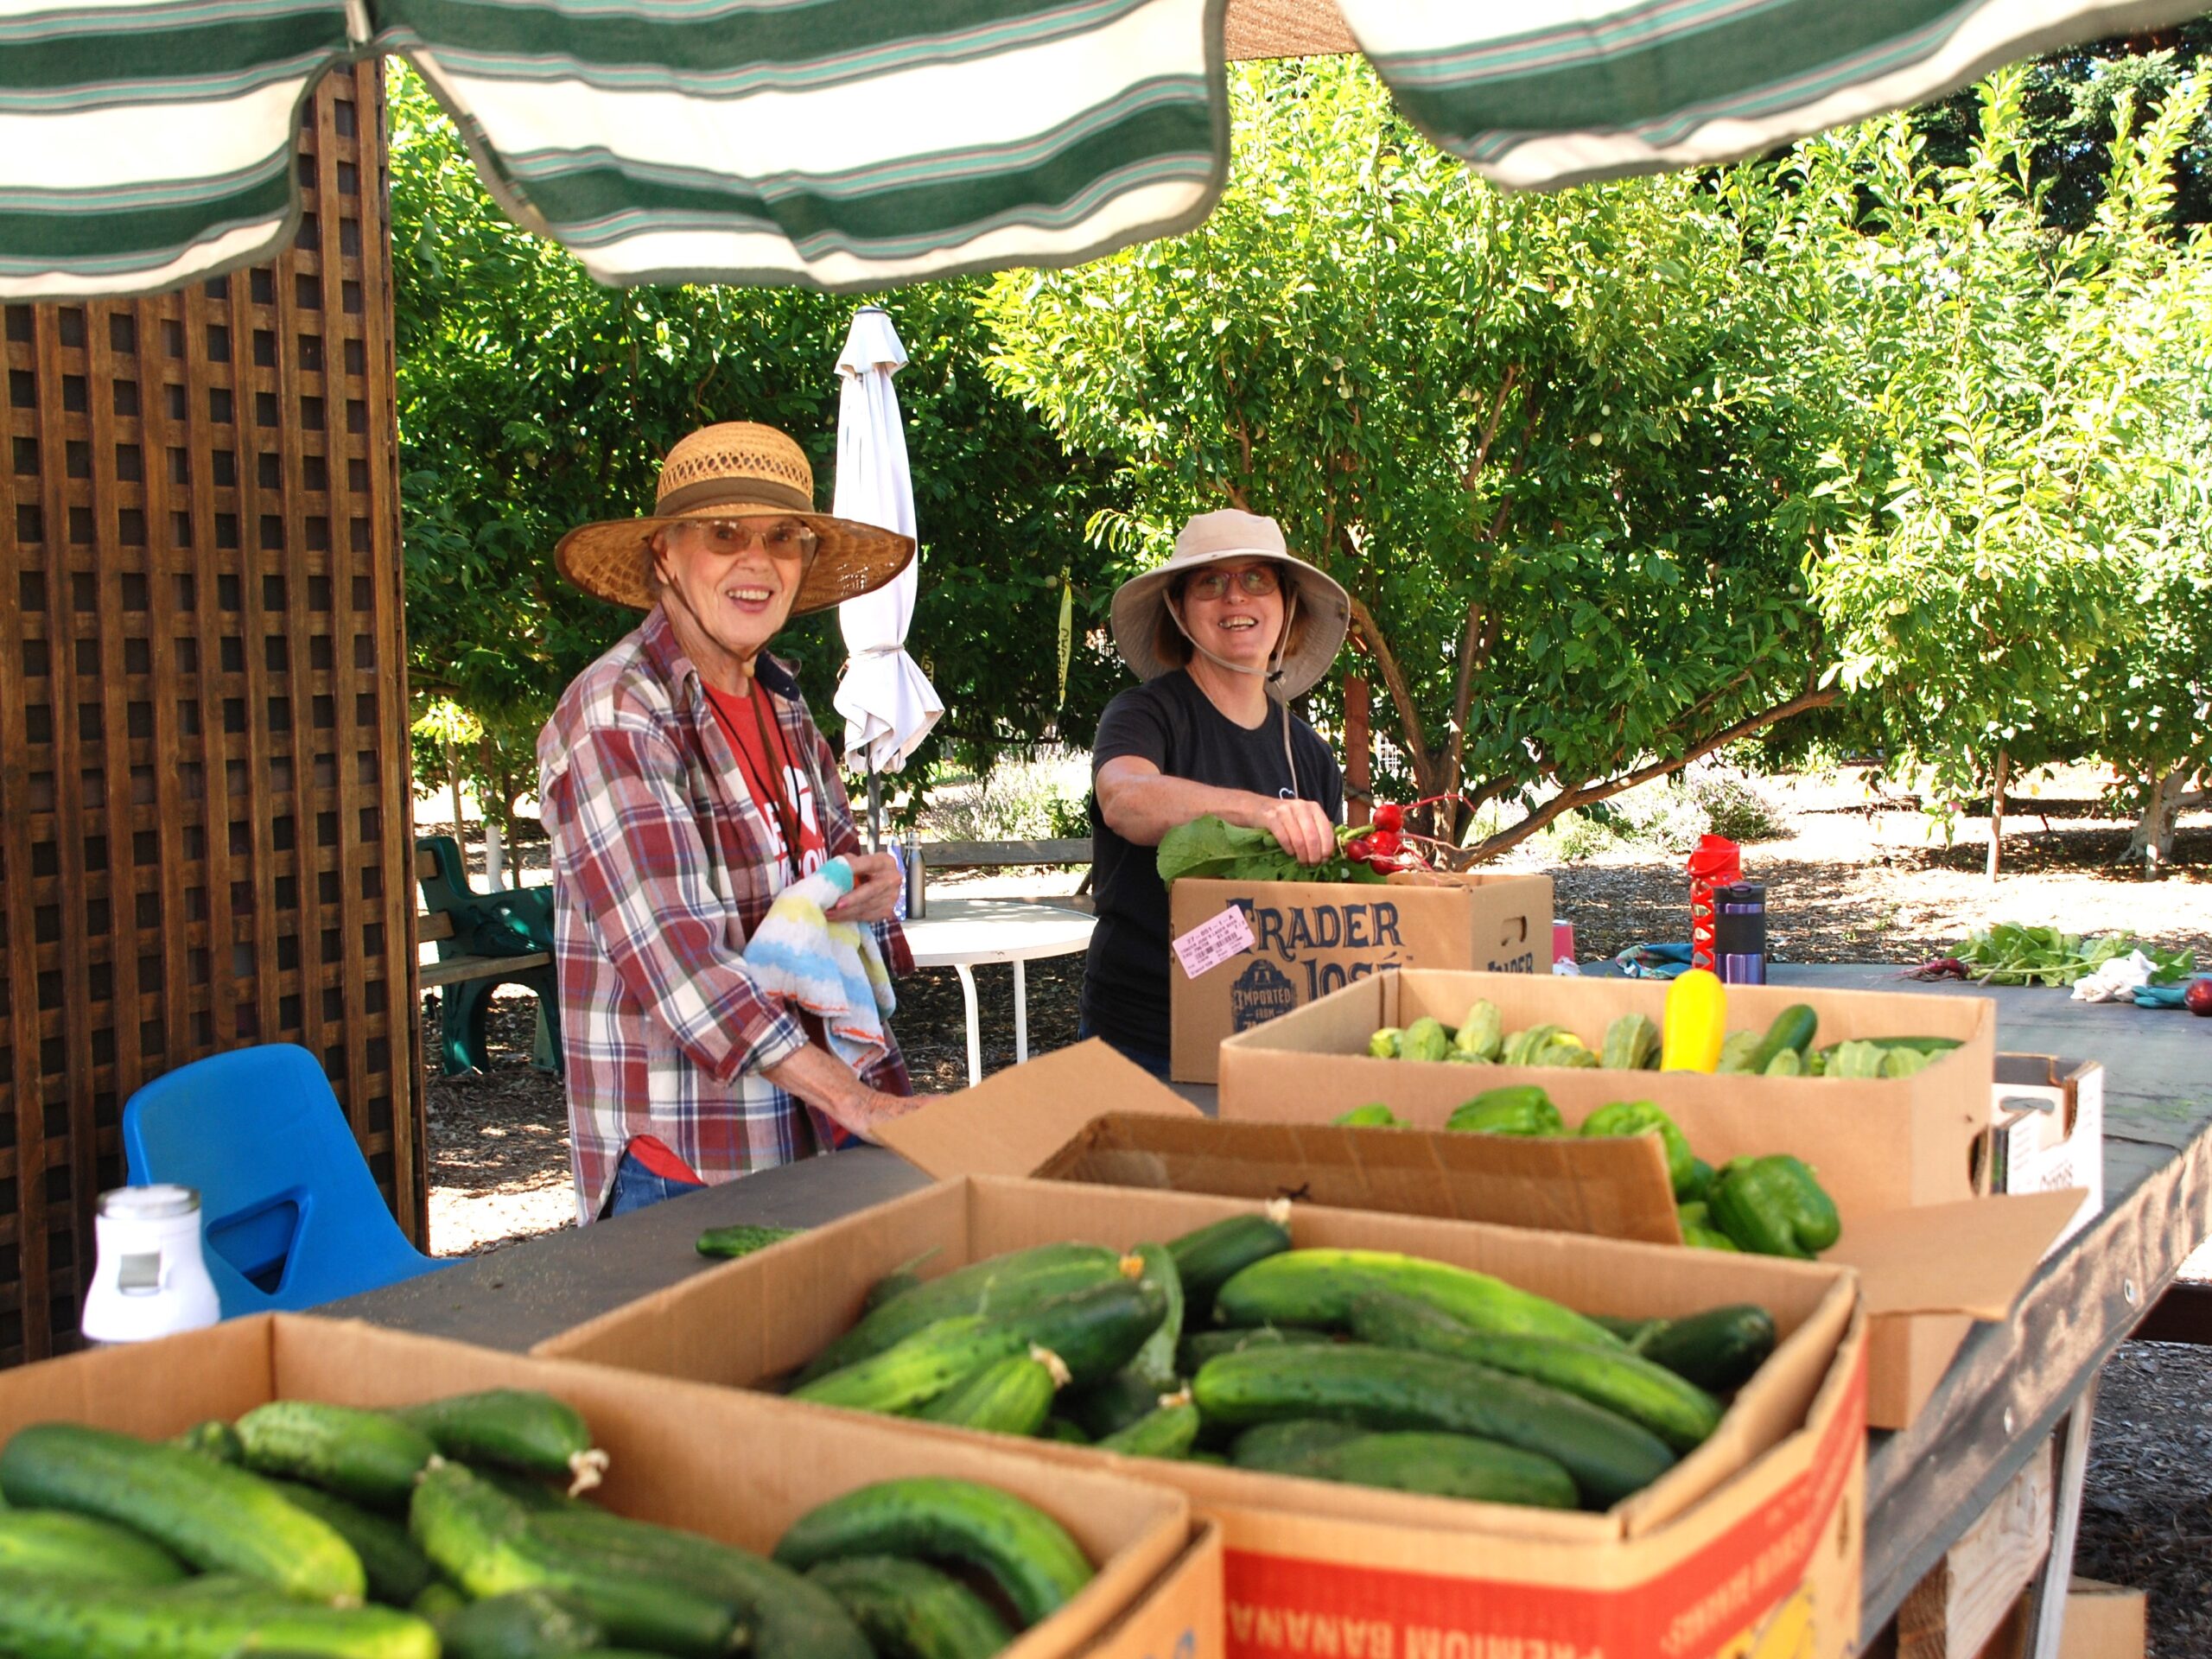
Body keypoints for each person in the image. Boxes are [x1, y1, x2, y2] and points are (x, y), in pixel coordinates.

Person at [539, 420, 926, 1222]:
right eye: (723, 535)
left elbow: (828, 868)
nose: (758, 561)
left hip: (802, 1128)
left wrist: (871, 883)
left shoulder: (781, 701)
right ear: (664, 556)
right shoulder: (618, 713)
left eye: (784, 538)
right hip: (686, 1156)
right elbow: (682, 965)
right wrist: (859, 1104)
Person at [1081, 509, 1352, 1075]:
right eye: (1212, 582)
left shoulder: (1310, 754)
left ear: (1287, 606)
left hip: (1270, 1036)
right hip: (1142, 1042)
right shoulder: (1144, 714)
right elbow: (1125, 798)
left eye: (1257, 579)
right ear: (1179, 609)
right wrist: (1257, 810)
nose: (1236, 599)